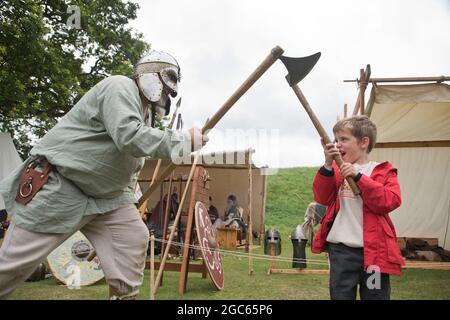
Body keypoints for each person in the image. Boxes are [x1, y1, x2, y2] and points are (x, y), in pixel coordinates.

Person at [0, 50, 208, 300]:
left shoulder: (146, 113)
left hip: (108, 199)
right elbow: (129, 136)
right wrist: (183, 141)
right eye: (165, 86)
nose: (166, 94)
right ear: (151, 76)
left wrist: (129, 192)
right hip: (61, 185)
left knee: (133, 237)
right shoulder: (119, 87)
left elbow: (131, 161)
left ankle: (123, 296)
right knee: (11, 268)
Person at [311, 115, 404, 300]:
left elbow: (390, 201)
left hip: (374, 256)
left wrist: (360, 178)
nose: (338, 144)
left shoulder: (383, 171)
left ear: (364, 142)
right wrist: (328, 164)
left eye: (344, 139)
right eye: (336, 140)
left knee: (374, 296)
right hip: (341, 254)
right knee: (341, 297)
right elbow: (322, 197)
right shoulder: (336, 171)